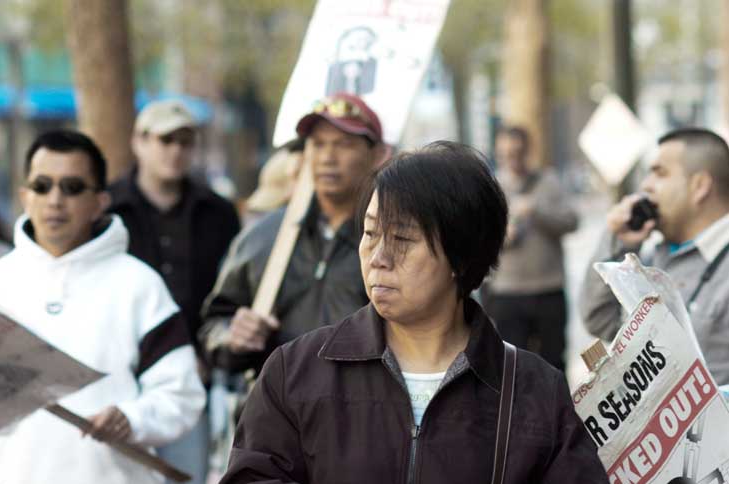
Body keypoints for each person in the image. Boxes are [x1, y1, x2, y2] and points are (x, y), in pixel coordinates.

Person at [219, 141, 607, 483]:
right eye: (370, 234)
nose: (379, 257)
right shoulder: (296, 372)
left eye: (403, 238)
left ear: (462, 254)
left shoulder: (532, 389)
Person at [0, 129, 205, 484]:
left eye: (73, 187)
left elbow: (182, 395)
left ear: (99, 201)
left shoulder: (139, 285)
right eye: (42, 185)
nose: (55, 200)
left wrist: (132, 418)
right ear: (25, 195)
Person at [199, 92, 386, 376]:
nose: (328, 157)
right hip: (274, 413)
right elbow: (213, 325)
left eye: (344, 144)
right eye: (317, 144)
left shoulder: (391, 241)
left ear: (378, 155)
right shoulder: (262, 238)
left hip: (366, 412)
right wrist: (232, 337)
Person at [108, 99, 240, 484]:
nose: (175, 151)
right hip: (119, 376)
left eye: (185, 141)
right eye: (165, 140)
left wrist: (208, 353)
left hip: (190, 379)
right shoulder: (107, 208)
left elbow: (228, 293)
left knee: (186, 475)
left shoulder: (218, 211)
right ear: (139, 141)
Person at [580, 127, 729, 386]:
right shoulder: (653, 255)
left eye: (660, 173)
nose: (646, 185)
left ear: (700, 186)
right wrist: (618, 241)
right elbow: (599, 319)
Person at [484, 125, 578, 371]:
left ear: (528, 151)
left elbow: (572, 221)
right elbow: (478, 240)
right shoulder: (489, 187)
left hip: (549, 290)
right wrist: (504, 236)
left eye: (517, 152)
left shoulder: (548, 181)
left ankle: (556, 410)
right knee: (513, 368)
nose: (513, 159)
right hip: (507, 294)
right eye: (506, 153)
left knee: (554, 363)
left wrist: (537, 211)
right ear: (498, 153)